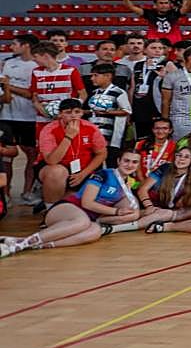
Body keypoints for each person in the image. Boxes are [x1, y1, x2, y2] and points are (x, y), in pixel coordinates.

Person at [1, 149, 143, 258]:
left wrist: (124, 214)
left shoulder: (129, 184)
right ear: (118, 161)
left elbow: (132, 212)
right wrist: (117, 212)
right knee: (82, 222)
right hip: (67, 209)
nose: (130, 165)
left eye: (134, 162)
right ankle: (21, 245)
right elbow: (87, 203)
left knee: (95, 232)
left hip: (88, 218)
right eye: (126, 161)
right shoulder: (103, 174)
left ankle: (30, 245)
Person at [33, 98, 108, 210]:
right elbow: (51, 160)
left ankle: (59, 200)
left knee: (77, 202)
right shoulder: (49, 130)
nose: (73, 116)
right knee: (56, 171)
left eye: (77, 112)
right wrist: (68, 137)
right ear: (60, 114)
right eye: (68, 112)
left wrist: (83, 174)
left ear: (82, 113)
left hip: (83, 170)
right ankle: (51, 210)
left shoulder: (91, 128)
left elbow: (102, 154)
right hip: (57, 168)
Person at [2, 34, 38, 205]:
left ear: (26, 46)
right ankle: (6, 192)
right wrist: (7, 89)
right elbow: (4, 90)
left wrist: (9, 86)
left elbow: (31, 94)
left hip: (29, 117)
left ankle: (27, 191)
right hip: (7, 116)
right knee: (6, 157)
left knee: (31, 155)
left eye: (14, 44)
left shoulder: (37, 66)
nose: (11, 47)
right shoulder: (9, 63)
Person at [84, 62, 132, 167]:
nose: (92, 78)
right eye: (92, 75)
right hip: (94, 133)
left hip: (111, 136)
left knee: (109, 162)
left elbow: (127, 111)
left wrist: (107, 112)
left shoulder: (119, 92)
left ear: (108, 76)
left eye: (95, 75)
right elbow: (92, 111)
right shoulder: (94, 92)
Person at [122, 0, 191, 46]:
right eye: (161, 3)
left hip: (173, 44)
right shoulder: (149, 13)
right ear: (155, 5)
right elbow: (131, 7)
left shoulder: (174, 13)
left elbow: (188, 8)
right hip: (154, 44)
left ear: (169, 4)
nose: (164, 5)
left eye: (166, 3)